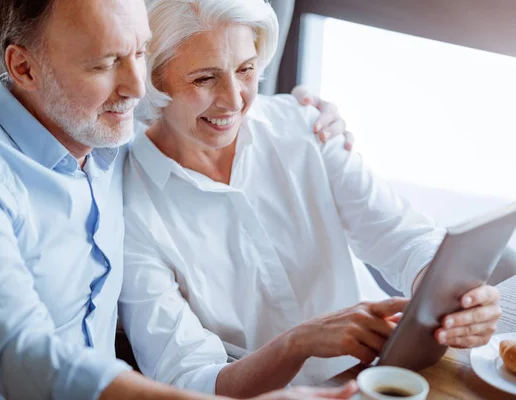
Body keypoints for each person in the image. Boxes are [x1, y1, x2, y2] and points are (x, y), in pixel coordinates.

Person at [0, 0, 355, 399]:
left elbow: (199, 103)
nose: (137, 86)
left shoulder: (106, 126)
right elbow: (27, 357)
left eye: (140, 52)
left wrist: (305, 114)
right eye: (105, 63)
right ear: (25, 68)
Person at [119, 0, 502, 396]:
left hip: (385, 373)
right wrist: (297, 344)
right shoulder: (130, 209)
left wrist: (459, 299)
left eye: (246, 69)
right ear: (153, 78)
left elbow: (404, 238)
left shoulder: (304, 126)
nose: (234, 100)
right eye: (204, 79)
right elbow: (188, 382)